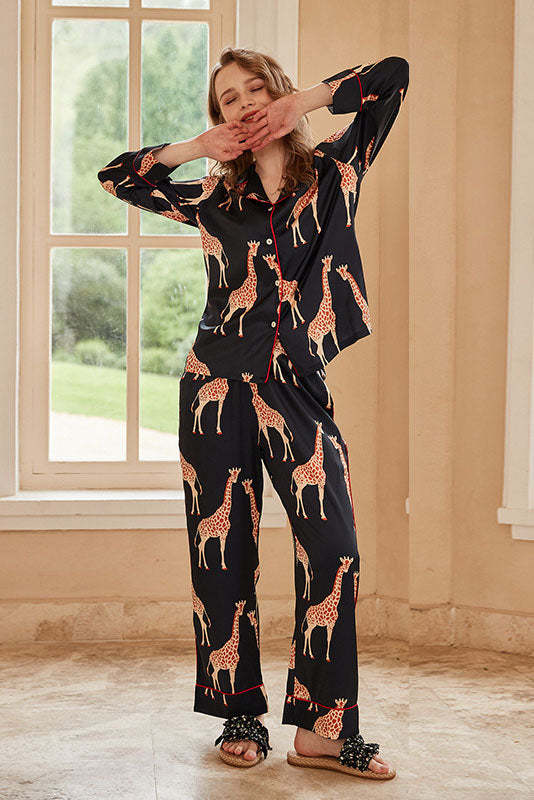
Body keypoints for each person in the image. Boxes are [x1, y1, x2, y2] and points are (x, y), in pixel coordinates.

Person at [97, 46, 409, 780]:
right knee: (223, 553)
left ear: (277, 93)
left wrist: (306, 102)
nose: (242, 105)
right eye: (227, 100)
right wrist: (196, 146)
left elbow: (393, 77)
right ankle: (238, 713)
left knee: (333, 550)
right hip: (215, 385)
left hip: (297, 387)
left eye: (254, 91)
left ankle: (323, 731)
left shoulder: (335, 172)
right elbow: (120, 176)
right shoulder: (211, 196)